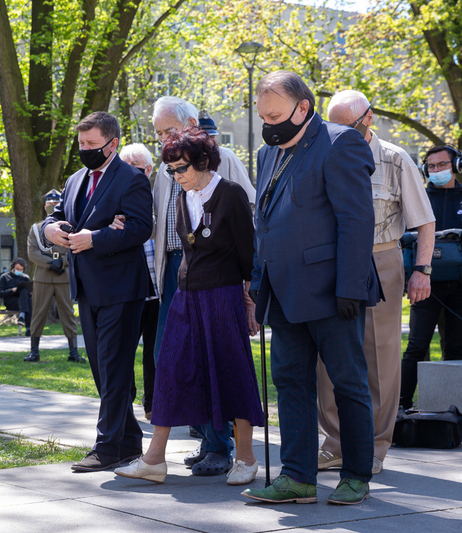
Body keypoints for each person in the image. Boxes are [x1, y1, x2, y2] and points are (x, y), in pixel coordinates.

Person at [241, 71, 378, 505]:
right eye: (263, 116)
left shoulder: (341, 143)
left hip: (333, 292)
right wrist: (259, 284)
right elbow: (266, 222)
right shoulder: (268, 153)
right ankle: (297, 476)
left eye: (276, 115)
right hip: (282, 292)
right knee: (290, 384)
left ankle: (356, 474)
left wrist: (350, 288)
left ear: (303, 108)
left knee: (348, 384)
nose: (268, 125)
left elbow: (356, 222)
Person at [114, 130, 263, 486]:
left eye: (180, 169)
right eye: (170, 171)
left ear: (202, 162)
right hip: (186, 296)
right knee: (170, 369)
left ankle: (246, 458)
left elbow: (249, 256)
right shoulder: (183, 197)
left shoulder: (230, 193)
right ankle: (153, 459)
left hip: (223, 297)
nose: (176, 176)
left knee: (232, 371)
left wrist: (250, 303)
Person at [320, 90, 436, 475]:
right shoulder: (324, 151)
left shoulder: (394, 158)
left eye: (346, 126)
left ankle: (374, 447)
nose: (338, 133)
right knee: (329, 356)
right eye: (332, 126)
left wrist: (422, 270)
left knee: (379, 356)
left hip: (380, 256)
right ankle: (335, 443)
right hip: (333, 260)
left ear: (368, 119)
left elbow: (425, 222)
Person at [42, 111, 153, 472]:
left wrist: (98, 237)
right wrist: (50, 229)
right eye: (81, 144)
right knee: (100, 369)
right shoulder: (75, 180)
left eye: (92, 144)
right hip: (87, 289)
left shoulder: (132, 179)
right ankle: (129, 440)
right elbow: (57, 214)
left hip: (122, 287)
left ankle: (106, 447)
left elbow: (139, 228)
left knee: (114, 366)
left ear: (112, 144)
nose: (85, 150)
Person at [150, 97, 245, 472]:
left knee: (214, 358)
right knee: (172, 358)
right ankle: (208, 439)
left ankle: (221, 447)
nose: (162, 139)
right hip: (178, 272)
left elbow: (247, 214)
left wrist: (244, 283)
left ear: (191, 124)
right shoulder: (164, 171)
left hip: (217, 273)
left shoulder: (226, 160)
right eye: (157, 133)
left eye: (168, 130)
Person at [400, 145, 462, 409]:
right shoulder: (420, 198)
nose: (436, 170)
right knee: (416, 347)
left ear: (456, 165)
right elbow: (404, 239)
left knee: (457, 349)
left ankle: (454, 408)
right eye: (431, 166)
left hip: (459, 287)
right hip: (425, 285)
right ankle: (402, 405)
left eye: (442, 165)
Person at [116, 144, 159, 418]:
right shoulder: (114, 199)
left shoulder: (160, 196)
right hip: (126, 291)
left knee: (154, 353)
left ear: (150, 170)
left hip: (157, 291)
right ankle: (124, 407)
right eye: (127, 169)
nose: (133, 174)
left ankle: (153, 406)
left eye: (139, 169)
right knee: (123, 352)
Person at [25, 189, 83, 363]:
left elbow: (74, 247)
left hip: (64, 276)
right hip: (43, 276)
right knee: (38, 313)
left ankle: (73, 351)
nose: (52, 206)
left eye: (56, 203)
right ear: (44, 206)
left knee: (68, 313)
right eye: (49, 203)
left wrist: (63, 262)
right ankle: (34, 351)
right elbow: (32, 252)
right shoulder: (36, 229)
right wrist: (51, 263)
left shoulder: (70, 226)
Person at [197, 110, 258, 198]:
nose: (209, 141)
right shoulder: (185, 158)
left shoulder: (227, 156)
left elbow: (249, 196)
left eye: (212, 137)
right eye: (204, 137)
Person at [0, 258, 33, 334]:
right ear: (13, 267)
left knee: (25, 293)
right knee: (28, 302)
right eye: (17, 269)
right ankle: (28, 328)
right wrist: (12, 290)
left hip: (23, 302)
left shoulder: (25, 277)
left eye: (21, 269)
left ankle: (22, 316)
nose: (19, 271)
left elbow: (29, 292)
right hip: (11, 302)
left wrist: (31, 293)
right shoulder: (4, 277)